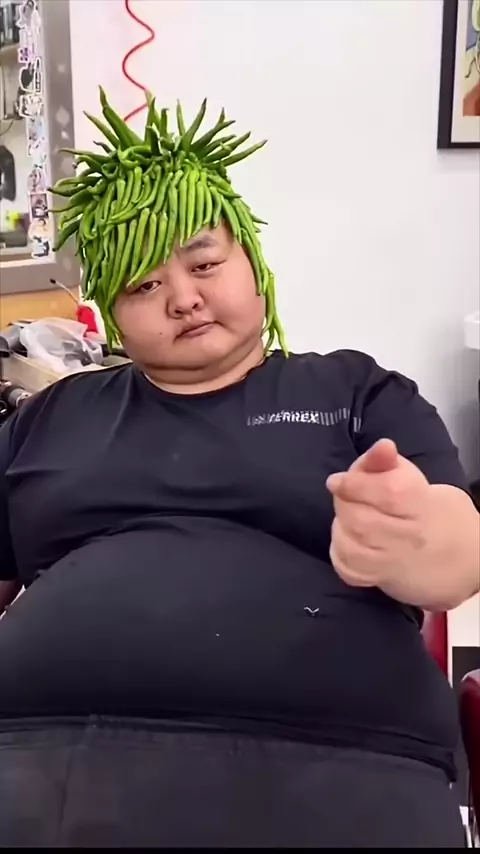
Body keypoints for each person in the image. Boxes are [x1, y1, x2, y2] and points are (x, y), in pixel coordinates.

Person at [0, 91, 478, 848]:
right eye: (145, 285)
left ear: (252, 261)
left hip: (339, 766)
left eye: (204, 264)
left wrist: (417, 540)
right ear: (110, 311)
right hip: (40, 764)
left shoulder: (353, 391)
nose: (184, 299)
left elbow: (457, 554)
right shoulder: (50, 417)